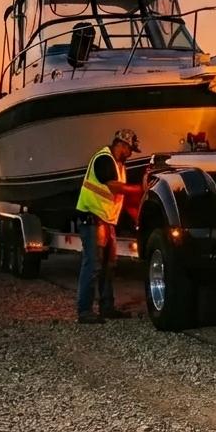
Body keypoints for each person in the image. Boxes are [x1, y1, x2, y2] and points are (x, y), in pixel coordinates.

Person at [75, 128, 140, 324]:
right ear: (122, 145)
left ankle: (107, 307)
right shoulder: (103, 159)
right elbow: (115, 187)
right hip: (92, 218)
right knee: (93, 264)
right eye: (130, 150)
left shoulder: (120, 165)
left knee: (108, 266)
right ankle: (84, 311)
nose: (130, 154)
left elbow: (119, 197)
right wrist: (140, 189)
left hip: (106, 220)